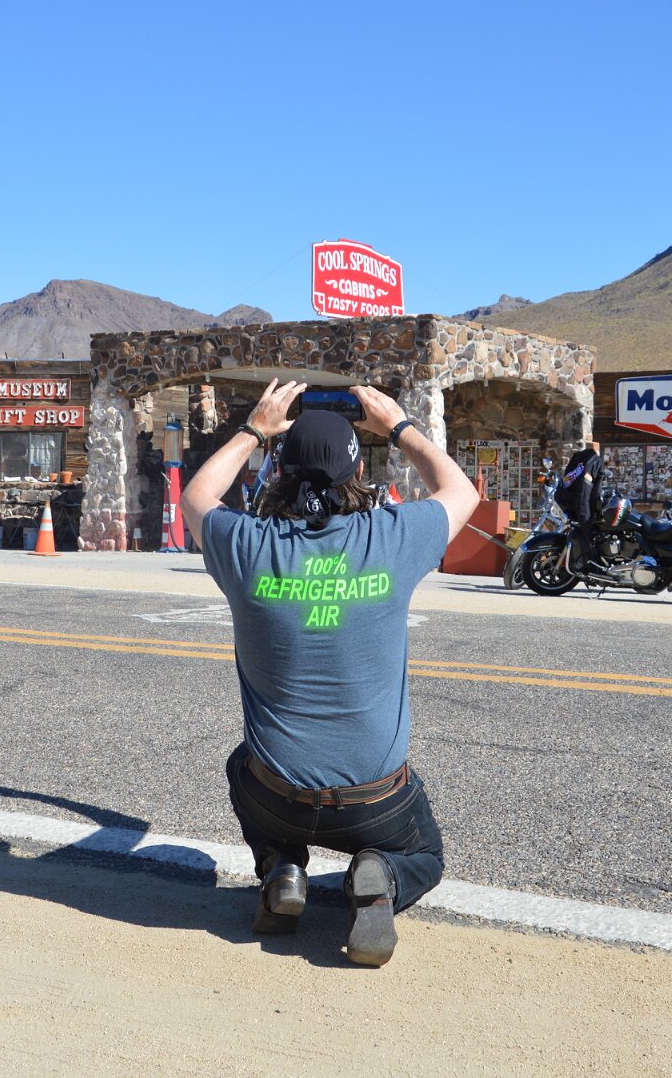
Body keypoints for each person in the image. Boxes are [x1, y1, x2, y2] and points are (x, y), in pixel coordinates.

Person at [182, 381, 478, 966]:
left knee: (242, 764)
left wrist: (254, 429)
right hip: (375, 802)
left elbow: (197, 495)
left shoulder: (246, 546)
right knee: (424, 854)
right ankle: (381, 873)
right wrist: (398, 426)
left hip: (277, 796)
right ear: (358, 472)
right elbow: (461, 491)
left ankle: (282, 868)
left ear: (278, 471)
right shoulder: (391, 537)